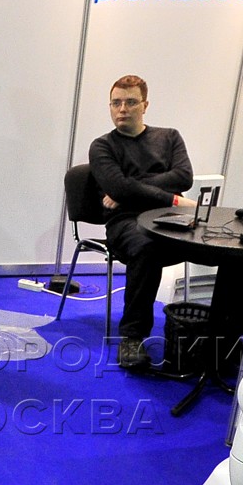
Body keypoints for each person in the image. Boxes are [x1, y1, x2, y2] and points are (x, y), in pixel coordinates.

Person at [90, 74, 201, 371]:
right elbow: (119, 187)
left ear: (145, 105)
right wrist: (172, 198)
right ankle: (132, 338)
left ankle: (225, 337)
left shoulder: (169, 137)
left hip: (171, 220)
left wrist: (130, 188)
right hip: (126, 223)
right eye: (116, 103)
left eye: (130, 102)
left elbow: (184, 177)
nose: (122, 109)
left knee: (226, 248)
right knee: (146, 246)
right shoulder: (102, 146)